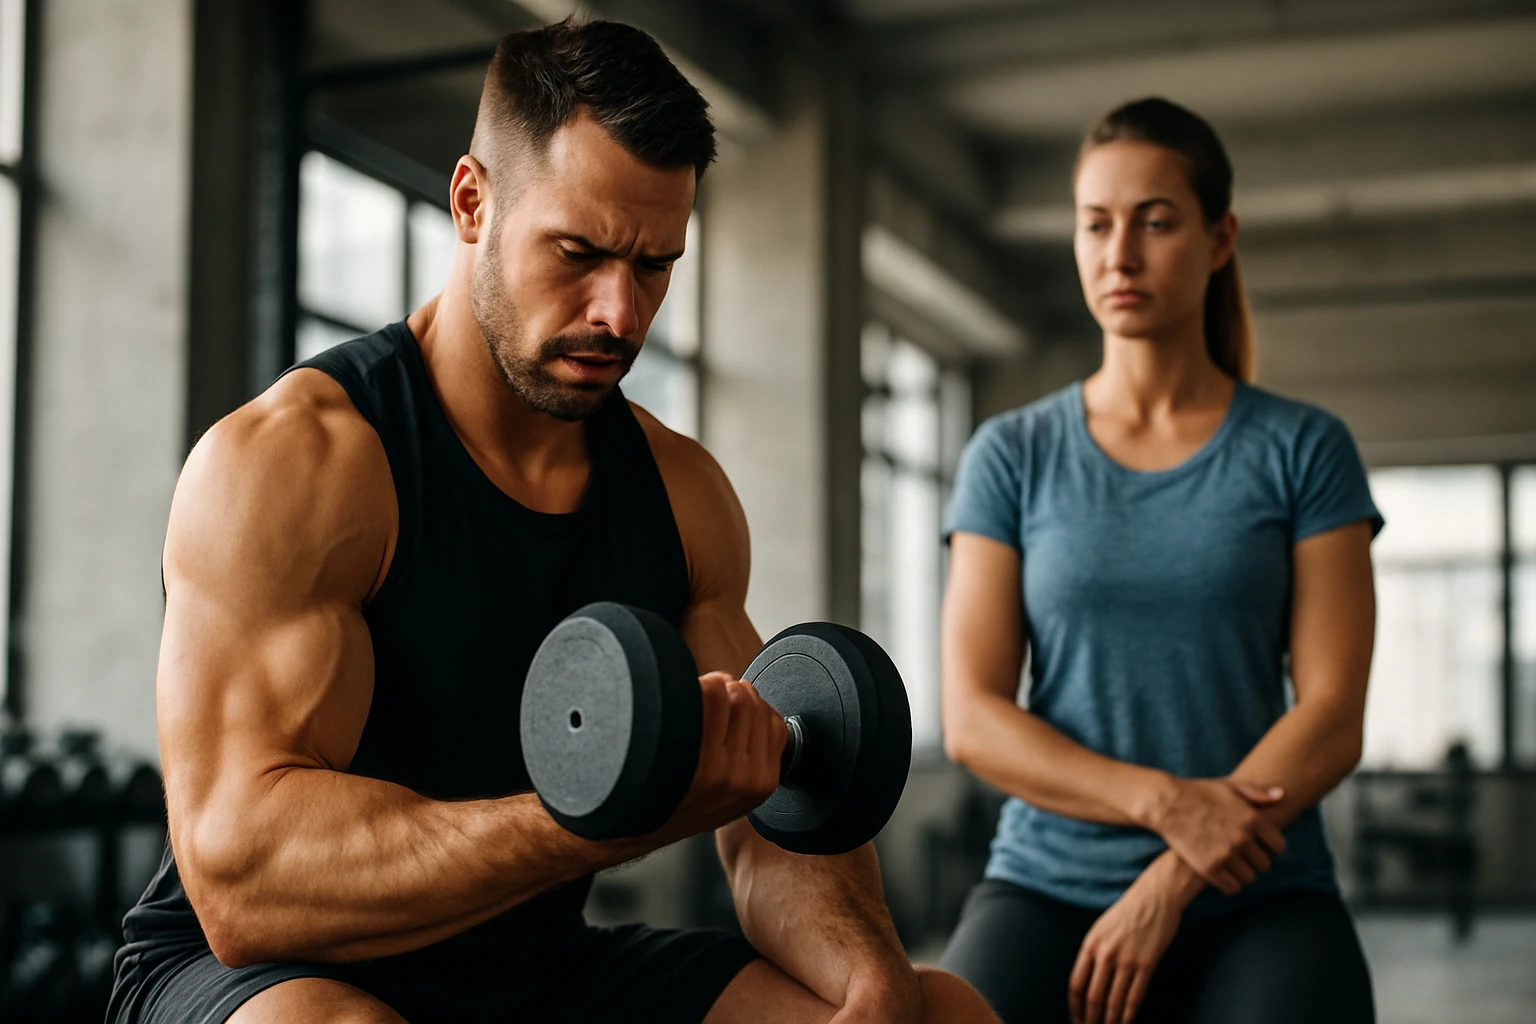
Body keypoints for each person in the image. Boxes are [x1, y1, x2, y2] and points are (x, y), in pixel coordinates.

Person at [107, 19, 996, 1024]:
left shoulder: (679, 492)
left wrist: (871, 982)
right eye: (578, 252)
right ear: (473, 203)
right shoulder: (294, 465)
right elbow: (245, 882)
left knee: (940, 1008)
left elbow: (768, 810)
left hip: (532, 962)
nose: (621, 312)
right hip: (263, 974)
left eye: (655, 265)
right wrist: (606, 822)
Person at [937, 97, 1380, 1024]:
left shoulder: (1304, 448)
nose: (1119, 253)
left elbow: (1333, 714)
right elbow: (974, 718)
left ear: (1220, 239)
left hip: (1258, 887)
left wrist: (1176, 876)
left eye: (1156, 221)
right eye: (1096, 224)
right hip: (1048, 881)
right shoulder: (1011, 454)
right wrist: (1170, 805)